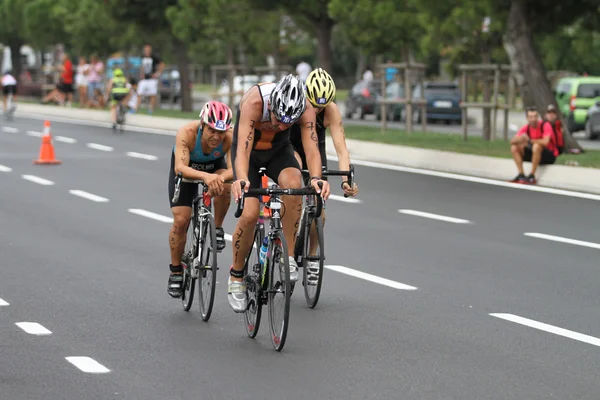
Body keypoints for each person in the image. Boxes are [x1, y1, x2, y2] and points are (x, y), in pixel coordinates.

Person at [228, 74, 331, 312]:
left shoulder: (304, 108)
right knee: (250, 214)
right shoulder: (254, 102)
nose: (283, 126)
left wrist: (316, 179)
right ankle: (236, 276)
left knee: (295, 185)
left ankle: (290, 257)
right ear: (272, 104)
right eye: (278, 119)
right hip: (249, 154)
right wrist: (242, 178)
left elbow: (311, 149)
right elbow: (242, 147)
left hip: (279, 151)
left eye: (288, 123)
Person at [289, 68, 358, 284]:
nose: (317, 109)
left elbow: (341, 149)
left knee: (319, 209)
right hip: (291, 145)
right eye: (314, 104)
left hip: (315, 149)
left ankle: (312, 256)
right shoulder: (297, 103)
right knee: (293, 184)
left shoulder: (332, 111)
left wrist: (346, 180)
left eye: (323, 105)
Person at [166, 100, 234, 298]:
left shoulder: (229, 138)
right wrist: (206, 177)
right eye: (212, 130)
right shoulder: (186, 132)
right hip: (187, 169)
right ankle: (176, 271)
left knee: (225, 185)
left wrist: (219, 178)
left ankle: (218, 229)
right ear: (202, 125)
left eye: (220, 132)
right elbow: (180, 168)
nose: (216, 137)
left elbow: (236, 169)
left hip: (214, 166)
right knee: (181, 220)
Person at [509, 106, 558, 184]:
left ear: (538, 117)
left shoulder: (545, 125)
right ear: (527, 118)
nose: (533, 119)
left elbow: (545, 142)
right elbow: (512, 141)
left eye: (535, 116)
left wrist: (529, 140)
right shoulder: (526, 128)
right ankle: (521, 174)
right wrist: (521, 138)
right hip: (534, 154)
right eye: (531, 117)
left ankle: (532, 175)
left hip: (548, 155)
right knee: (514, 147)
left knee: (536, 146)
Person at [138, 44, 165, 114]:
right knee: (139, 93)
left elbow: (162, 64)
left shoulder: (154, 57)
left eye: (148, 50)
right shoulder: (142, 57)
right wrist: (141, 74)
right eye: (145, 50)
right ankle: (135, 109)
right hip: (144, 79)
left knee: (152, 94)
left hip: (152, 79)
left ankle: (151, 110)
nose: (146, 51)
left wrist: (157, 73)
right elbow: (141, 66)